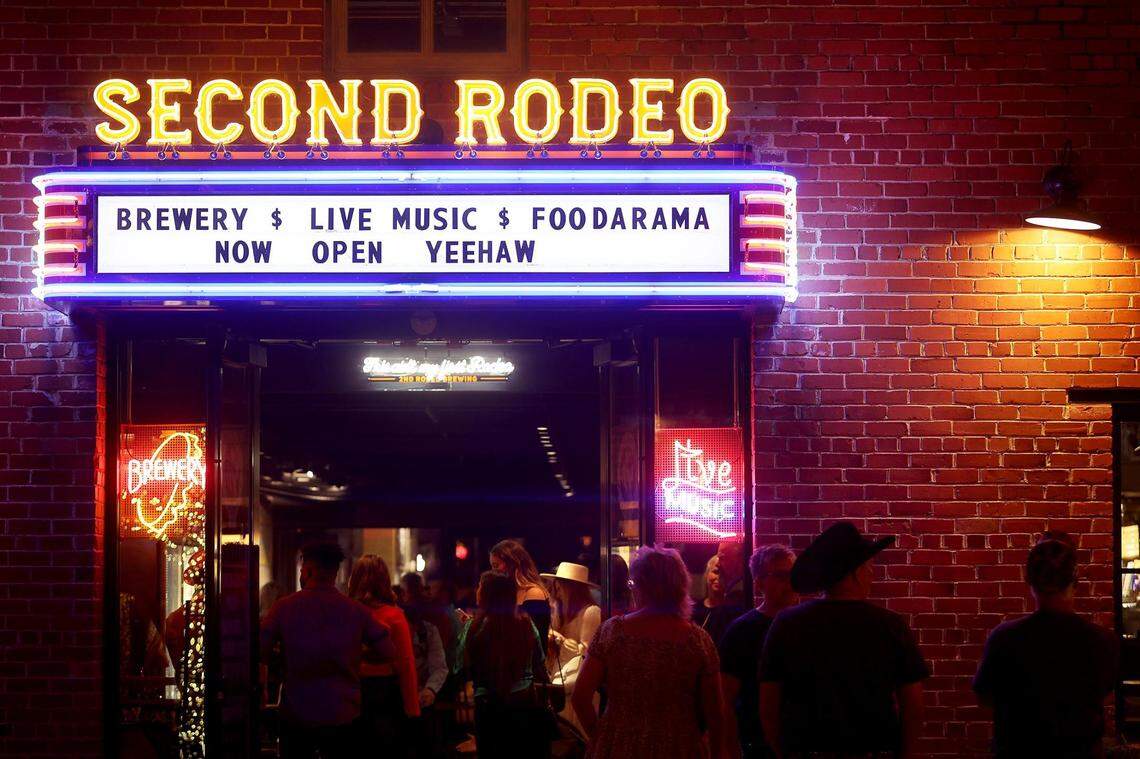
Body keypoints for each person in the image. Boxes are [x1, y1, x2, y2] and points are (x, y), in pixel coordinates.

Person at [759, 522, 927, 759]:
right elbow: (913, 704)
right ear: (856, 573)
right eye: (869, 566)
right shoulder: (890, 625)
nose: (872, 573)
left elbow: (768, 703)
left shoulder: (787, 623)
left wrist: (783, 752)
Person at [974, 532, 1119, 758]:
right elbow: (1105, 691)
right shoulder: (1102, 640)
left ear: (1030, 583)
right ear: (1075, 582)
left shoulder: (1004, 638)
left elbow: (985, 697)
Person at [572, 546, 725, 759]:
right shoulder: (698, 640)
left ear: (641, 586)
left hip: (619, 744)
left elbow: (580, 697)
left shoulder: (612, 631)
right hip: (679, 746)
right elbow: (716, 714)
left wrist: (600, 737)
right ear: (680, 586)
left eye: (633, 583)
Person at [260, 542, 396, 759]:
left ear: (309, 571)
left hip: (297, 711)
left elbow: (261, 652)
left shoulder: (283, 608)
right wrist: (356, 654)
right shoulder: (356, 611)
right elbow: (388, 652)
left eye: (302, 571)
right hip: (343, 711)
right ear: (336, 573)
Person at [455, 570, 553, 759]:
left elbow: (461, 666)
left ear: (486, 595)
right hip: (524, 703)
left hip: (488, 706)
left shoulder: (473, 626)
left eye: (479, 587)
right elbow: (539, 660)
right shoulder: (526, 624)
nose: (477, 591)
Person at [719, 545, 797, 759]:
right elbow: (725, 698)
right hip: (756, 743)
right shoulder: (742, 631)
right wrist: (732, 749)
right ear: (759, 583)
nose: (790, 583)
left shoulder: (807, 626)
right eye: (781, 576)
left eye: (793, 575)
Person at [347, 555, 420, 753]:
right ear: (384, 581)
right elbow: (405, 663)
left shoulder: (347, 613)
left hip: (350, 691)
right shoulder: (394, 615)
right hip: (385, 693)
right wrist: (412, 707)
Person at [542, 562, 602, 735]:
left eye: (559, 585)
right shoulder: (561, 611)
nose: (556, 590)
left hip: (578, 684)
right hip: (561, 681)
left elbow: (587, 652)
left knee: (577, 734)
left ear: (570, 587)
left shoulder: (591, 612)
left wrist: (560, 641)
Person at [490, 539, 553, 645]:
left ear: (513, 564)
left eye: (496, 565)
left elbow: (534, 637)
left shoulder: (534, 593)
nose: (493, 571)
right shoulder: (508, 593)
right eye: (492, 566)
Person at [692, 554, 746, 646]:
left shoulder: (734, 612)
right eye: (716, 571)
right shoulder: (694, 610)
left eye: (724, 574)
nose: (719, 577)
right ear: (707, 574)